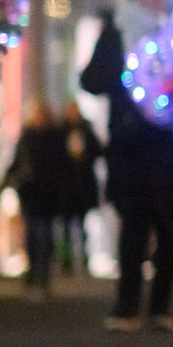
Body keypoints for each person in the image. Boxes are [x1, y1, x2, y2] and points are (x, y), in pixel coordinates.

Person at [81, 0, 173, 332]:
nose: (153, 0)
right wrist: (131, 74)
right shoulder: (117, 32)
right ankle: (126, 306)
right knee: (133, 228)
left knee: (171, 228)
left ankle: (161, 306)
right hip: (131, 146)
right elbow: (91, 80)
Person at [5, 100, 70, 300]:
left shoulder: (55, 137)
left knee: (44, 234)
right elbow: (17, 162)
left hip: (47, 193)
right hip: (31, 193)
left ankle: (42, 274)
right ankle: (34, 272)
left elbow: (62, 165)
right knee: (33, 234)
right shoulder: (28, 137)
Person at [57, 102, 105, 275]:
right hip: (66, 187)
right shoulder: (60, 132)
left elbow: (98, 150)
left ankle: (84, 258)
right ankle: (66, 261)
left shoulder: (86, 129)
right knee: (67, 228)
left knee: (83, 226)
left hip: (82, 186)